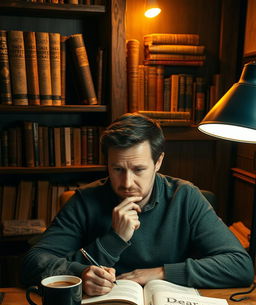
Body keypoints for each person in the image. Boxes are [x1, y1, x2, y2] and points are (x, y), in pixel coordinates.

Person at [22, 113, 254, 295]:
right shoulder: (85, 199)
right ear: (107, 164)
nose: (126, 183)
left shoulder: (185, 197)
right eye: (117, 169)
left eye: (139, 169)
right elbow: (33, 264)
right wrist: (98, 256)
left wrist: (161, 273)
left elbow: (240, 266)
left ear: (158, 162)